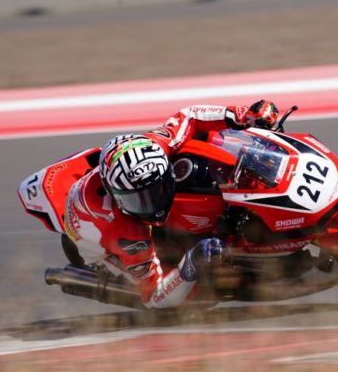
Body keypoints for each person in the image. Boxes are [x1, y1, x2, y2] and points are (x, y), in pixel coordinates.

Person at [63, 100, 279, 308]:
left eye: (158, 189)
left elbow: (190, 116)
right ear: (115, 195)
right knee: (196, 296)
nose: (155, 205)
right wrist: (190, 263)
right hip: (101, 241)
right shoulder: (128, 236)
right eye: (138, 200)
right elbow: (155, 297)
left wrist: (242, 116)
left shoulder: (154, 147)